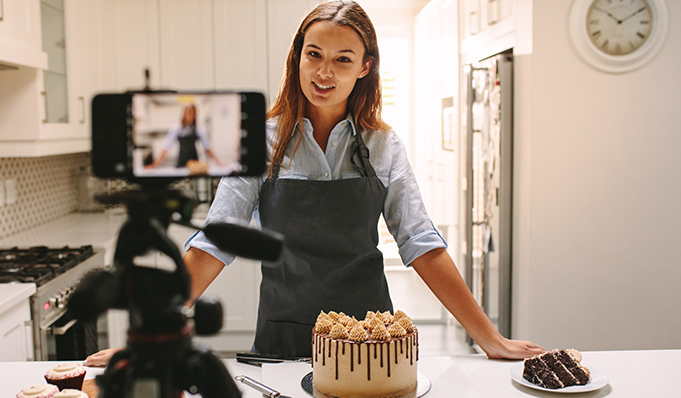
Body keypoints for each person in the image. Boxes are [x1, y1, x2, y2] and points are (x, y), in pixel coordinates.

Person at [85, 0, 543, 366]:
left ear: (365, 66)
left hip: (369, 338)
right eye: (314, 55)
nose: (324, 73)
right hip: (284, 333)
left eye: (343, 60)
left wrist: (489, 337)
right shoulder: (259, 143)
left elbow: (421, 242)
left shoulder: (383, 146)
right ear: (297, 57)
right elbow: (214, 242)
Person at [145, 104, 219, 170]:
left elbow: (207, 146)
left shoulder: (198, 128)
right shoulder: (177, 128)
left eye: (193, 113)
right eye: (189, 112)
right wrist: (155, 165)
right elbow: (166, 147)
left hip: (194, 163)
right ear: (184, 114)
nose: (191, 115)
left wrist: (218, 162)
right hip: (182, 161)